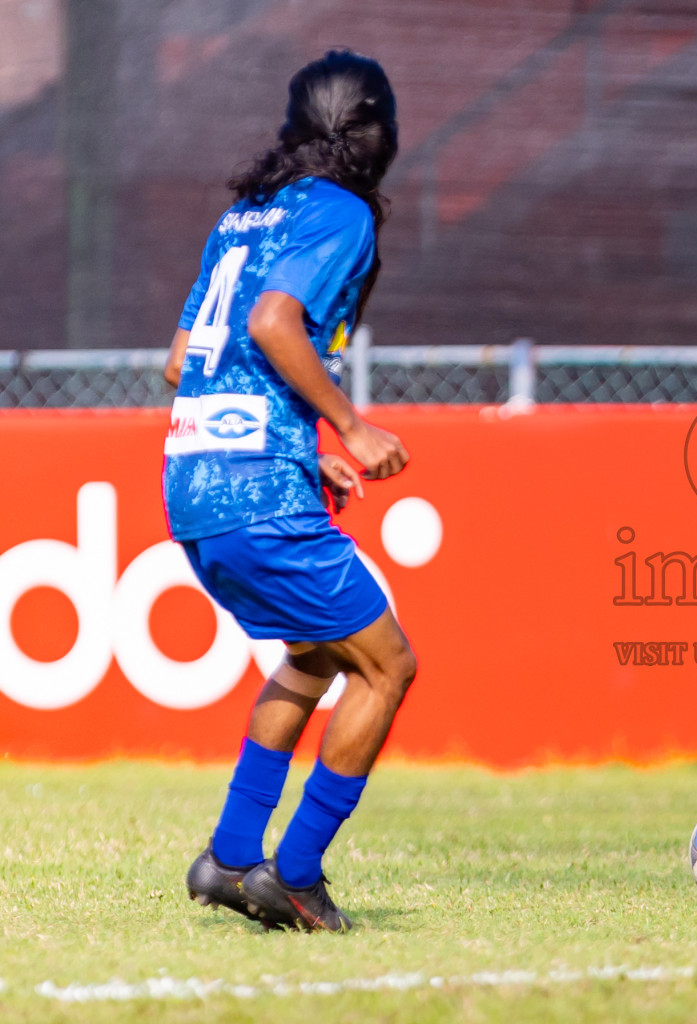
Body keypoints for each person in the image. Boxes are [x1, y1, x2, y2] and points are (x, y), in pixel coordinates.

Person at [165, 50, 416, 932]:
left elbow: (179, 362)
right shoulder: (341, 214)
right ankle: (297, 875)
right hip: (254, 495)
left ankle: (230, 858)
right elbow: (273, 322)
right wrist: (350, 426)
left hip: (192, 483)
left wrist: (302, 456)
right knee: (388, 667)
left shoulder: (243, 215)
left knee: (314, 658)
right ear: (378, 135)